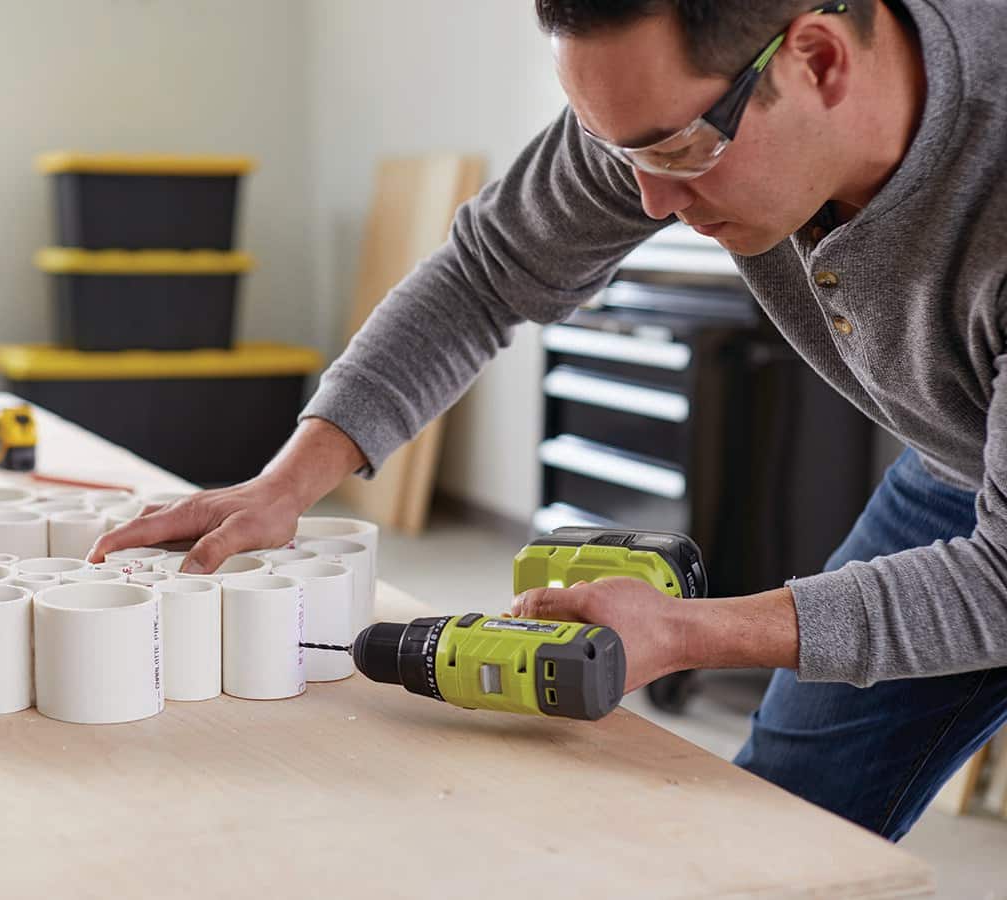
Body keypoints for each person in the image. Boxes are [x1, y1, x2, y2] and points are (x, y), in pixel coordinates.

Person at [92, 0, 1007, 841]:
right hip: (955, 465)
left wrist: (692, 632)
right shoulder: (678, 104)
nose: (649, 203)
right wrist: (283, 484)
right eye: (625, 156)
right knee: (782, 811)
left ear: (818, 59)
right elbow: (484, 276)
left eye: (676, 153)